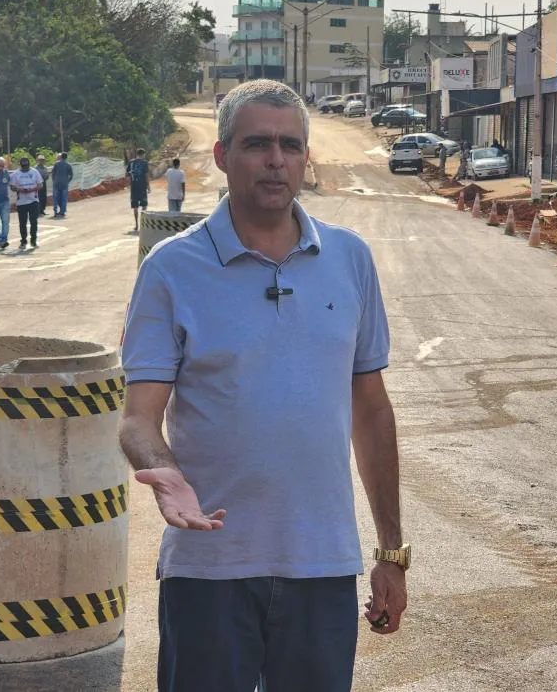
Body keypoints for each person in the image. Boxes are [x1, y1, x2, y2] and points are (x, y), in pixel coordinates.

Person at [120, 79, 408, 692]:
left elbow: (372, 410)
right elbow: (139, 417)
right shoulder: (172, 269)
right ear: (222, 155)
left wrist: (391, 551)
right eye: (257, 144)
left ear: (307, 157)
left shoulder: (350, 259)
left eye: (290, 145)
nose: (276, 160)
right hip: (209, 566)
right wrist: (160, 469)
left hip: (322, 565)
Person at [10, 156, 42, 249]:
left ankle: (33, 240)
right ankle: (23, 240)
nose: (25, 169)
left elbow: (40, 184)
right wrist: (19, 189)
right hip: (21, 202)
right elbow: (12, 186)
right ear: (21, 166)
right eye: (24, 167)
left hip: (33, 200)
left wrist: (32, 189)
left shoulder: (34, 172)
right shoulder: (16, 174)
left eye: (27, 167)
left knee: (33, 221)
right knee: (22, 223)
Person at [127, 148, 151, 232]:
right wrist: (148, 186)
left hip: (134, 188)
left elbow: (127, 174)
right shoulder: (144, 163)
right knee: (144, 205)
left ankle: (136, 225)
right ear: (143, 154)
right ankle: (142, 224)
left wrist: (129, 184)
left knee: (135, 207)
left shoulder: (130, 162)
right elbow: (146, 175)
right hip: (142, 187)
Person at [51, 152, 74, 218]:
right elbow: (71, 175)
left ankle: (55, 211)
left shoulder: (56, 164)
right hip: (64, 183)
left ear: (61, 157)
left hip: (56, 183)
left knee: (56, 198)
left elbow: (53, 173)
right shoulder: (68, 165)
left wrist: (54, 180)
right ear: (66, 157)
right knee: (64, 198)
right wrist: (68, 181)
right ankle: (62, 212)